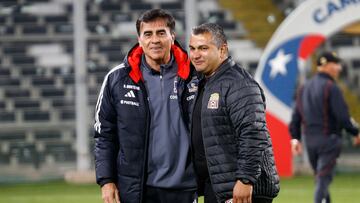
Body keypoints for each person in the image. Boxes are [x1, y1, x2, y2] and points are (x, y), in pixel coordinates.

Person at [94, 9, 198, 203]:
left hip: (184, 187)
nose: (155, 40)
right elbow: (104, 135)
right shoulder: (116, 79)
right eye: (148, 34)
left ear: (172, 36)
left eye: (161, 33)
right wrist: (106, 181)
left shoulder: (195, 75)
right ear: (139, 39)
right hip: (137, 189)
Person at [188, 22, 280, 203]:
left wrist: (245, 179)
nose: (196, 55)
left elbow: (253, 133)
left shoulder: (239, 83)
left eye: (203, 48)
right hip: (219, 187)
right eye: (192, 49)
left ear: (222, 50)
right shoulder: (204, 82)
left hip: (240, 189)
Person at [289, 51, 360, 203]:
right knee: (323, 179)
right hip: (329, 140)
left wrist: (295, 139)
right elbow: (343, 117)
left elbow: (296, 117)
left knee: (321, 179)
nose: (339, 68)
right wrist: (355, 132)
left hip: (310, 143)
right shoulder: (331, 87)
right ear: (327, 65)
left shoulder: (304, 88)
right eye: (336, 64)